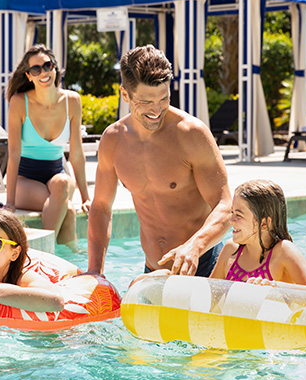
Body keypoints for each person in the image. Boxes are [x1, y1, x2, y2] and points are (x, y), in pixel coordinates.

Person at [87, 44, 232, 278]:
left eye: (163, 98)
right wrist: (95, 271)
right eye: (145, 102)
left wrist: (195, 245)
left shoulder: (191, 134)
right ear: (125, 94)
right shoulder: (113, 140)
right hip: (152, 271)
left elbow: (225, 205)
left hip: (202, 266)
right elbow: (101, 207)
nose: (156, 110)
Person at [4, 44, 91, 252]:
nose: (43, 72)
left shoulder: (72, 101)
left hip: (56, 175)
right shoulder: (19, 102)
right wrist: (9, 202)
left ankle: (51, 256)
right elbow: (14, 154)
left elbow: (77, 153)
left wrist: (86, 197)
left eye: (47, 65)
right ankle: (66, 254)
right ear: (29, 76)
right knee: (67, 209)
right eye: (36, 69)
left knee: (62, 184)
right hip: (25, 179)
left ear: (55, 68)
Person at [210, 179, 306, 293]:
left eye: (239, 215)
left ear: (264, 224)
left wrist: (274, 287)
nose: (231, 220)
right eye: (232, 212)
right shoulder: (231, 249)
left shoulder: (283, 252)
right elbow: (209, 294)